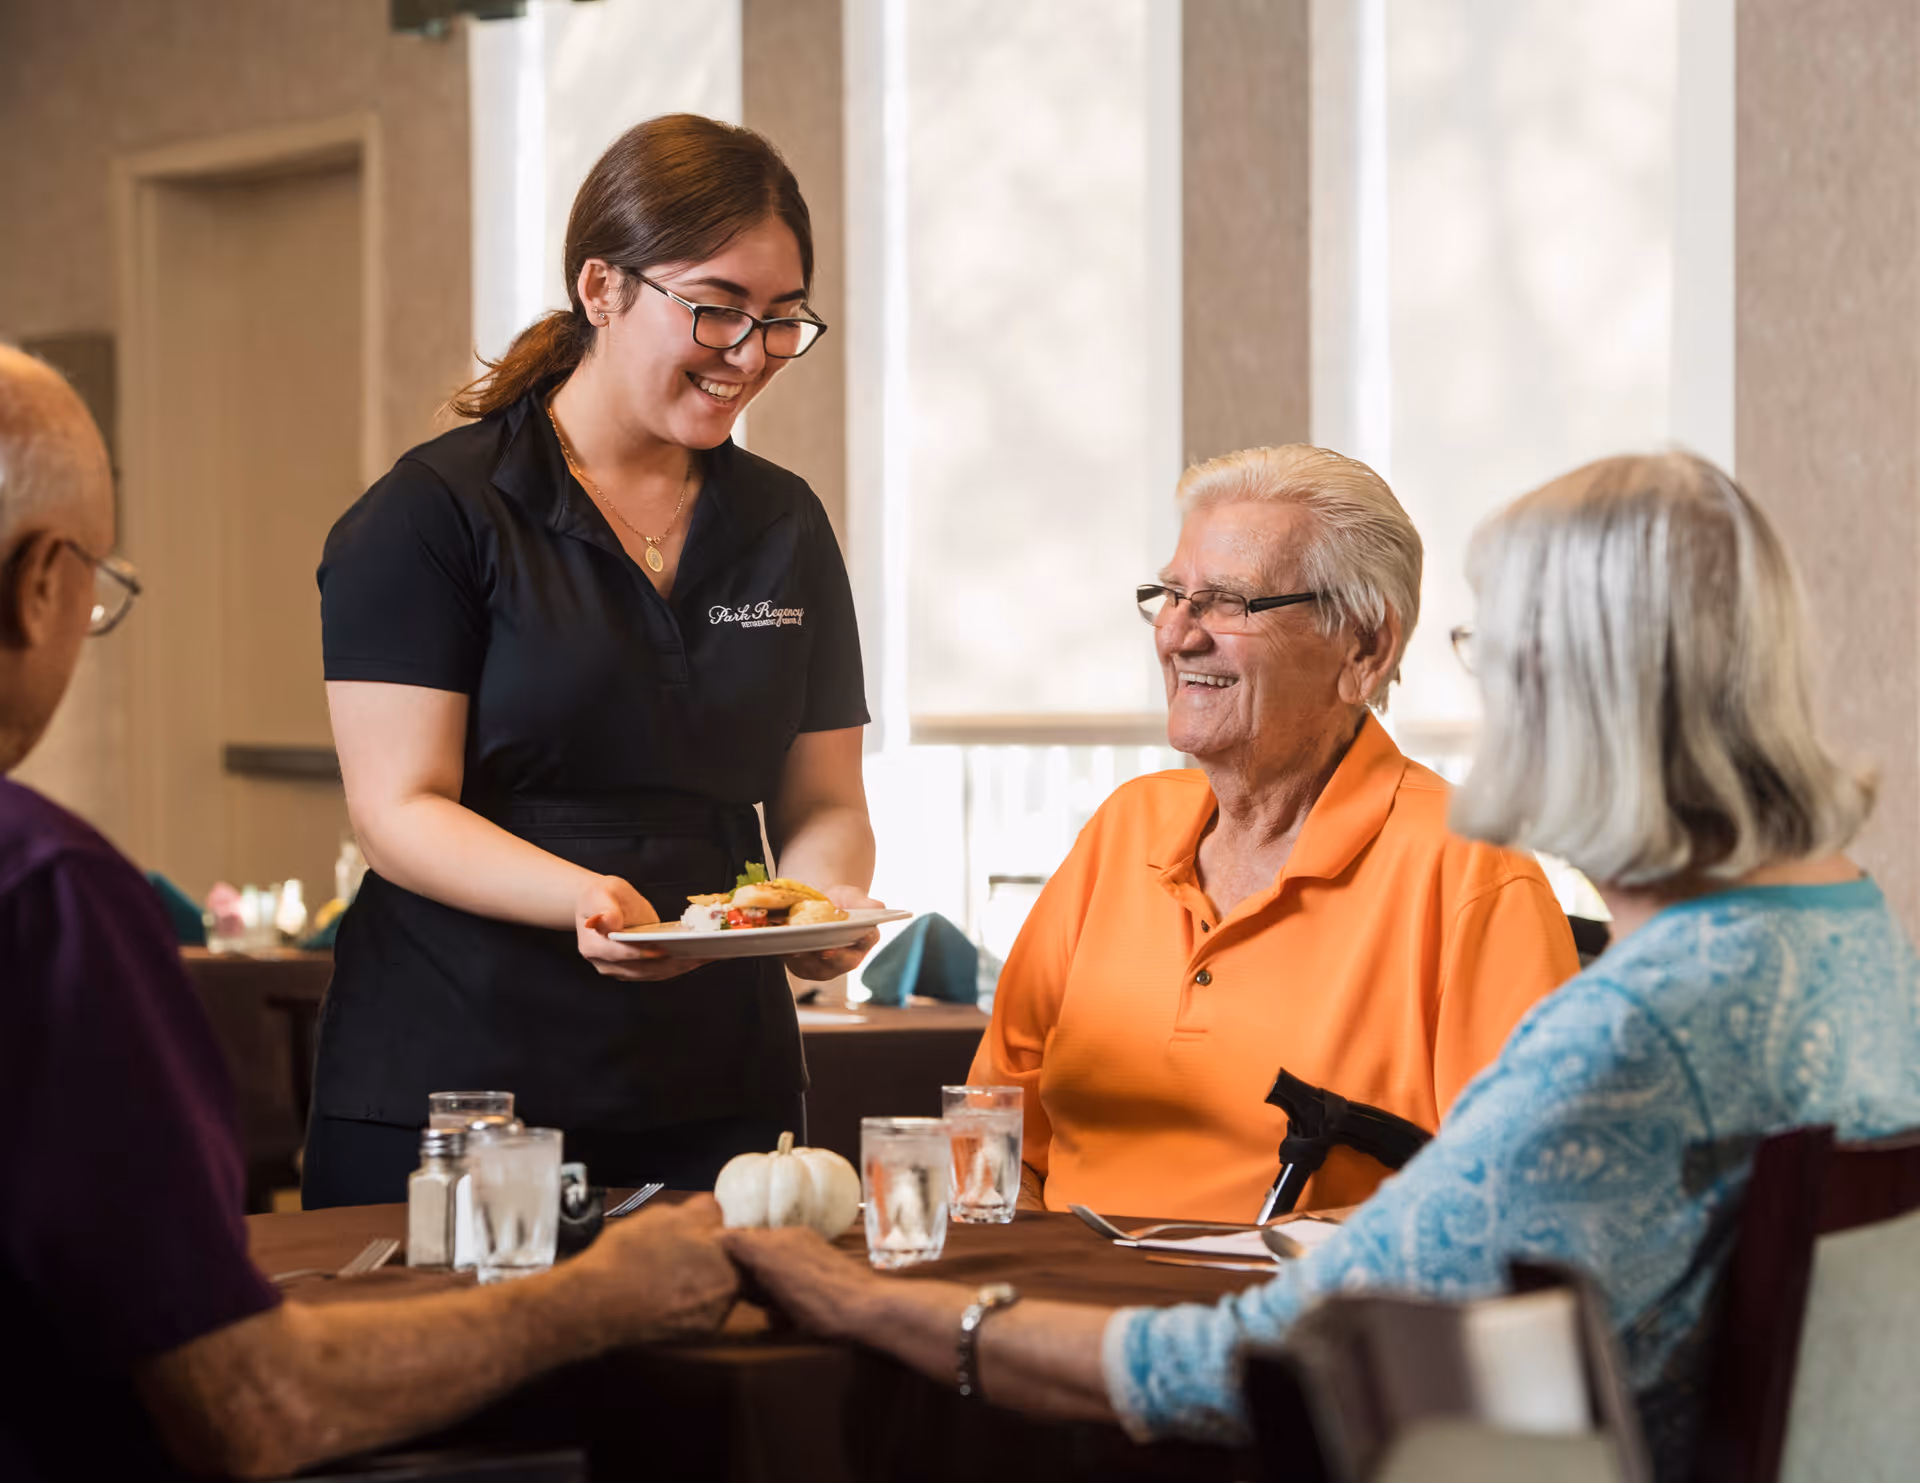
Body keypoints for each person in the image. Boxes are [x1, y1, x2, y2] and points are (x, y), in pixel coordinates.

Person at [724, 450, 1920, 1480]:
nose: (1481, 693)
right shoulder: (1844, 933)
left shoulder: (1635, 1031)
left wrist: (866, 1301)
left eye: (1495, 652)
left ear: (1592, 697)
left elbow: (1250, 1358)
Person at [0, 346, 741, 1482]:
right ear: (41, 583)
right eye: (99, 583)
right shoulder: (47, 900)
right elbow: (251, 1399)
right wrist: (595, 1298)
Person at [305, 114, 879, 1207]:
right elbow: (399, 810)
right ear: (601, 287)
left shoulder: (784, 523)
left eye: (780, 320)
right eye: (715, 308)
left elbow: (825, 794)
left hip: (721, 1086)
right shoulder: (433, 517)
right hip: (464, 1085)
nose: (749, 354)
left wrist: (817, 905)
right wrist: (584, 898)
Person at [967, 445, 1578, 1220]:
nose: (1176, 636)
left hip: (1292, 1321)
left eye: (1227, 601)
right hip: (1059, 1313)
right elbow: (994, 1130)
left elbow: (1517, 1206)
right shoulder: (1125, 828)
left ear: (1365, 648)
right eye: (1172, 595)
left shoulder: (1469, 870)